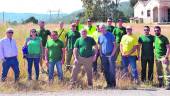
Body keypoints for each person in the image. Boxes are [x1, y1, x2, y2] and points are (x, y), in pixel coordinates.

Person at [98, 24, 117, 89]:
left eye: (103, 27)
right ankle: (108, 84)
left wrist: (112, 54)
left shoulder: (111, 35)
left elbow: (115, 46)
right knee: (105, 70)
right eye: (100, 28)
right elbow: (100, 46)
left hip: (110, 55)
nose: (102, 29)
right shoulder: (100, 36)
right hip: (103, 55)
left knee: (111, 70)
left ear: (105, 28)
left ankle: (113, 85)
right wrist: (100, 53)